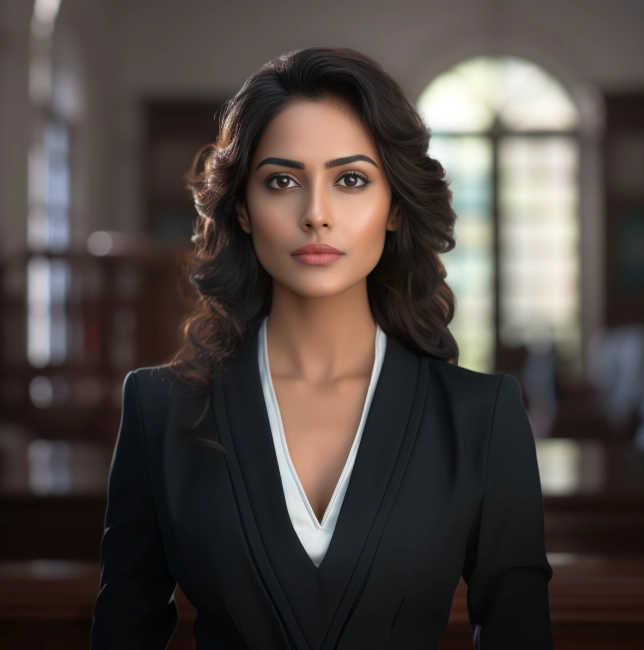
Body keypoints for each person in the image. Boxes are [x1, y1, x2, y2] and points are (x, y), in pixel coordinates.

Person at [90, 46, 553, 649]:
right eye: (282, 181)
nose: (316, 214)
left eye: (351, 179)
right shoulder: (160, 409)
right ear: (244, 209)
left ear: (393, 207)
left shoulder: (482, 417)